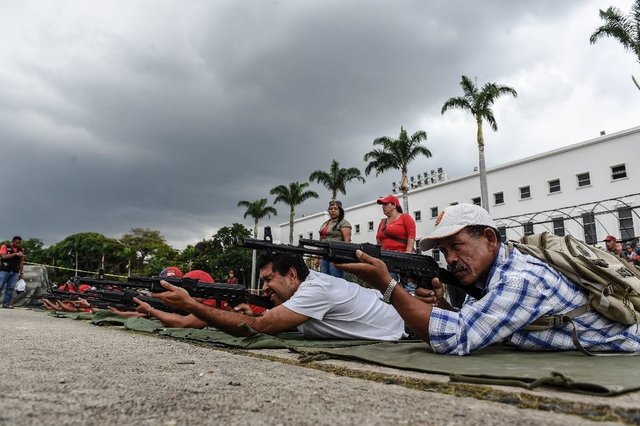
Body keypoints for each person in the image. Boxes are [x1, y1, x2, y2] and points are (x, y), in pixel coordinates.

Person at [339, 203, 640, 355]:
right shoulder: (492, 275)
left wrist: (386, 285)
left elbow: (457, 338)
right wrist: (441, 304)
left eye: (456, 246)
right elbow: (471, 320)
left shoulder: (521, 279)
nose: (450, 259)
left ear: (489, 239)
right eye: (443, 251)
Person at [152, 252, 407, 340]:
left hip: (408, 327)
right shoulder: (311, 287)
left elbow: (258, 328)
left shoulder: (314, 289)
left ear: (293, 275)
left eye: (268, 280)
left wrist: (189, 304)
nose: (263, 289)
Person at [375, 195, 416, 294]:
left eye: (385, 204)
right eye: (382, 205)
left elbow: (411, 235)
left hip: (403, 257)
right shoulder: (383, 222)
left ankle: (410, 305)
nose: (383, 207)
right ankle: (391, 306)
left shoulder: (405, 217)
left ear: (394, 205)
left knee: (409, 287)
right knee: (389, 288)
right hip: (387, 259)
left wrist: (408, 253)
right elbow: (378, 238)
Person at [317, 200, 352, 278]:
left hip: (336, 256)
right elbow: (320, 242)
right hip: (325, 255)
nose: (333, 210)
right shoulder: (325, 224)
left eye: (336, 209)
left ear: (340, 211)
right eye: (331, 208)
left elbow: (347, 241)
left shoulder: (344, 223)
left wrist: (345, 258)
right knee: (324, 279)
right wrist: (318, 258)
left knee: (336, 279)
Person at [0, 236, 26, 308]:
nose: (18, 244)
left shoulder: (20, 250)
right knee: (0, 286)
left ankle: (6, 303)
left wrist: (21, 272)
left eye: (19, 243)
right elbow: (3, 257)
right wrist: (15, 254)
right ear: (13, 241)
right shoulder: (5, 246)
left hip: (15, 271)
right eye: (17, 243)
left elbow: (21, 261)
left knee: (10, 288)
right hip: (4, 270)